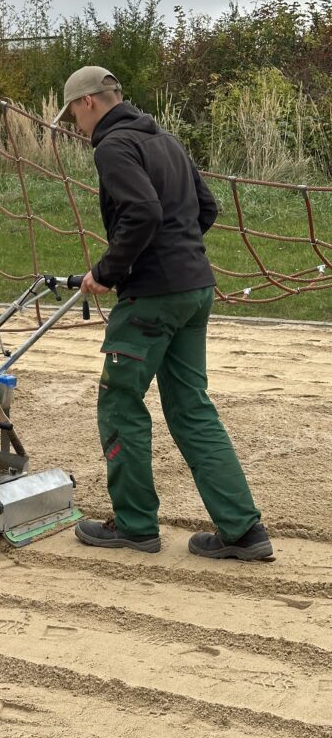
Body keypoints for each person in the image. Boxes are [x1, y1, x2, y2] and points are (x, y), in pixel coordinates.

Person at [58, 65, 272, 560]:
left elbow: (144, 212)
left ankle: (134, 526)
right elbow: (206, 207)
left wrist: (109, 272)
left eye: (72, 114)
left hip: (151, 299)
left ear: (88, 102)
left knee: (119, 401)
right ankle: (243, 531)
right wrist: (178, 253)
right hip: (195, 289)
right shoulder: (166, 140)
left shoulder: (113, 146)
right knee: (192, 408)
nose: (73, 125)